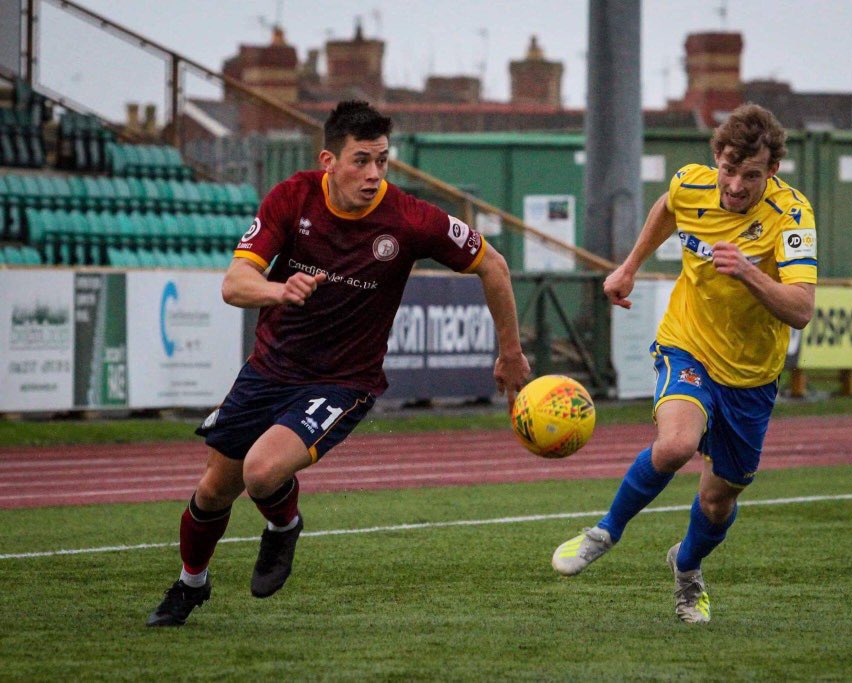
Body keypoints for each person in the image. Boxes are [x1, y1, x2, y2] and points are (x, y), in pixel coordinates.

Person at [146, 100, 531, 627]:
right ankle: (191, 585)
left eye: (382, 161)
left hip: (342, 381)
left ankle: (284, 526)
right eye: (360, 161)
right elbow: (235, 283)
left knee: (261, 472)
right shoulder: (292, 197)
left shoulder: (412, 219)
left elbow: (495, 265)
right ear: (329, 160)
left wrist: (510, 352)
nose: (373, 175)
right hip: (269, 369)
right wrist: (279, 290)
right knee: (213, 490)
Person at [551, 103, 816, 624]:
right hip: (687, 343)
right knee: (676, 444)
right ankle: (604, 531)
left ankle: (687, 569)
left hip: (751, 376)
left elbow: (802, 310)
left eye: (751, 175)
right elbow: (668, 209)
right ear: (716, 157)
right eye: (730, 169)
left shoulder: (792, 217)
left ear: (773, 172)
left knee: (719, 502)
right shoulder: (692, 183)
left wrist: (749, 273)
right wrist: (628, 267)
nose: (736, 185)